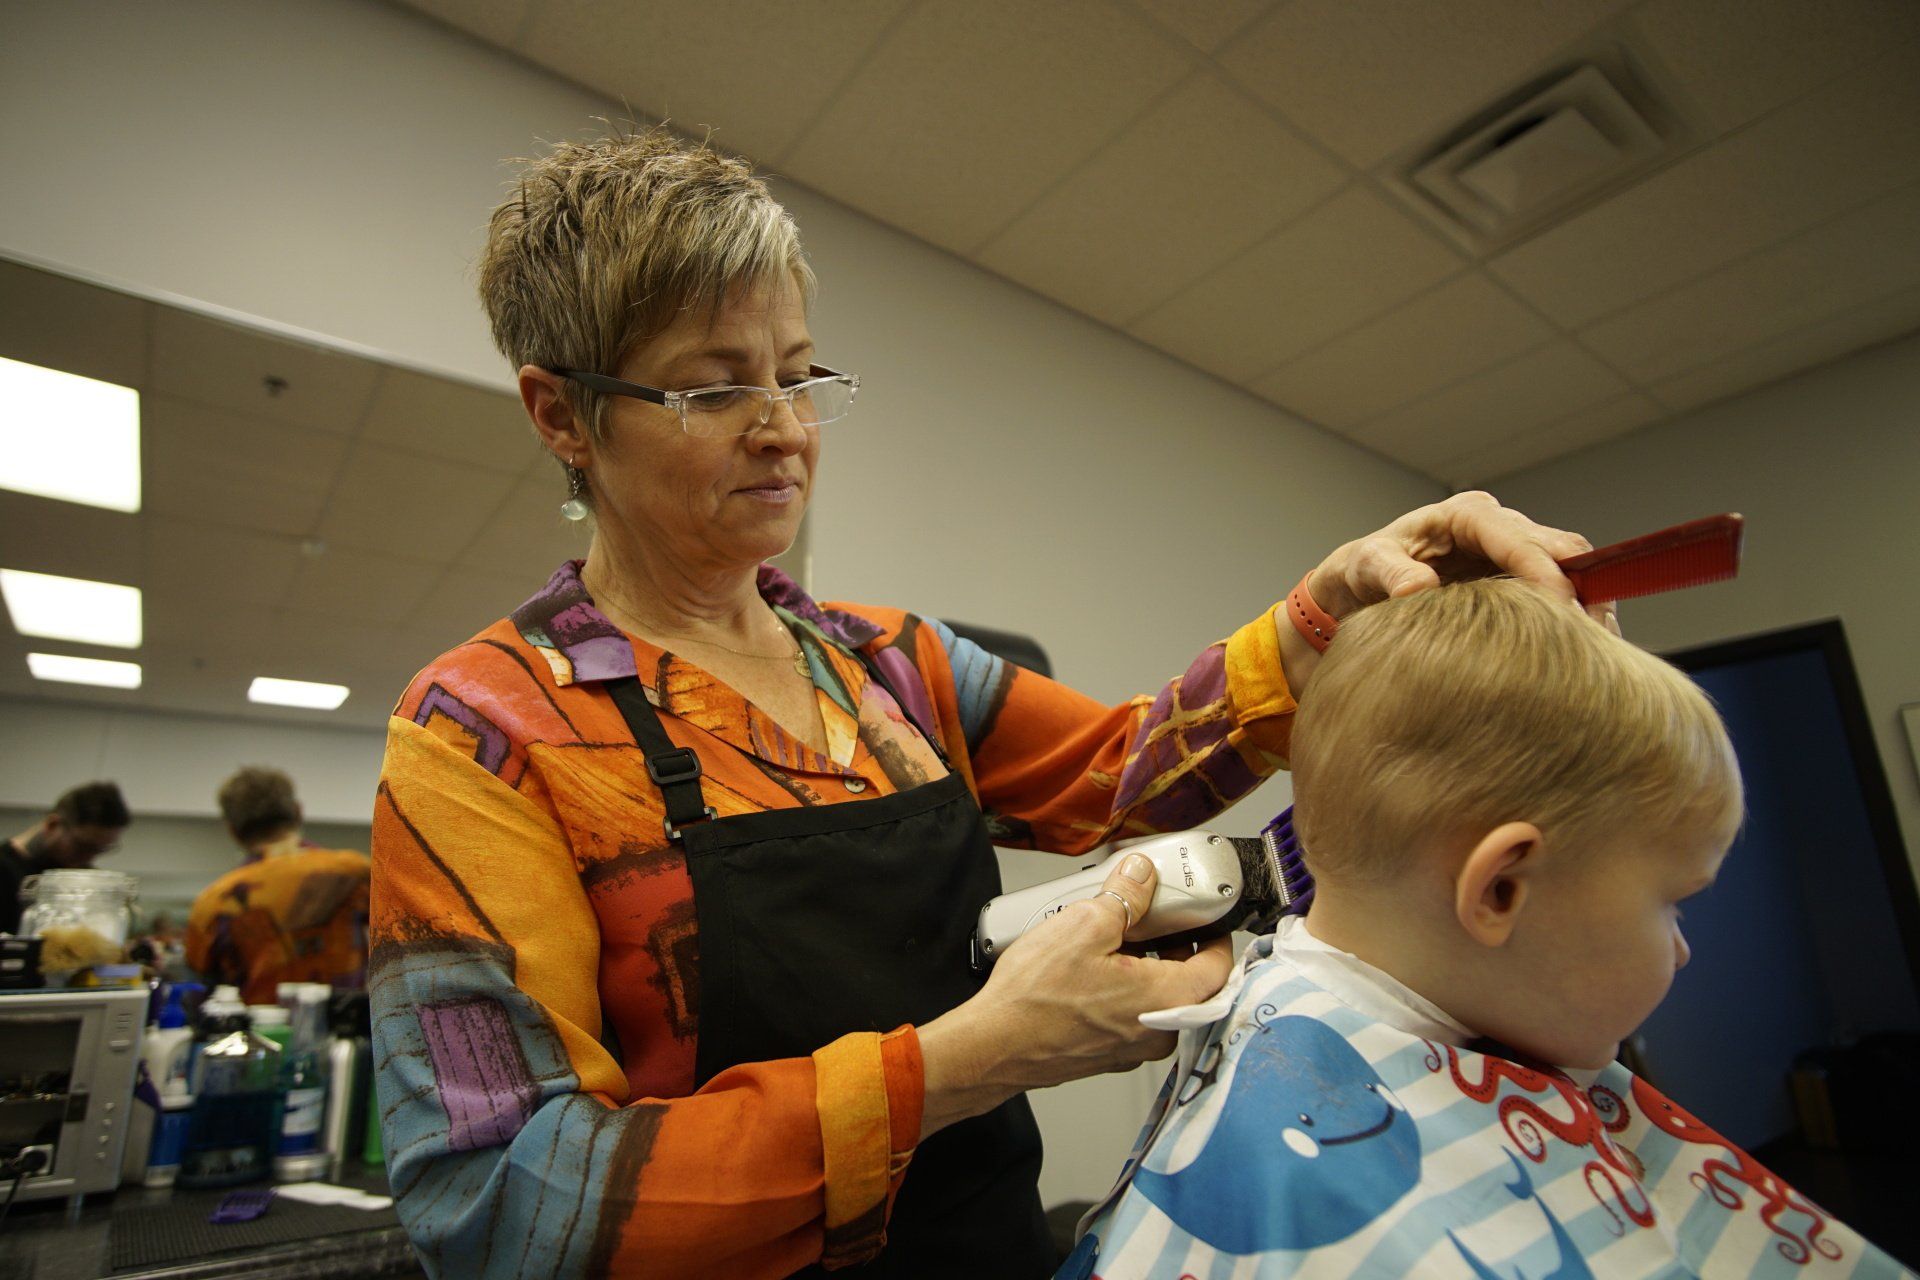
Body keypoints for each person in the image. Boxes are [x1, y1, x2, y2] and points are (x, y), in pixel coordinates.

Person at [368, 126, 1612, 1280]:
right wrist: (965, 1062)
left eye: (800, 377)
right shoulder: (484, 731)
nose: (784, 429)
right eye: (714, 388)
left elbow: (1120, 772)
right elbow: (497, 1201)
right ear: (560, 414)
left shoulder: (888, 664)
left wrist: (1330, 612)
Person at [1065, 579, 1905, 1278]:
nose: (1683, 948)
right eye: (1673, 902)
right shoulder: (1389, 1241)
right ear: (1500, 888)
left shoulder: (1290, 989)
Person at [185, 766, 369, 1004]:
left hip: (258, 1035)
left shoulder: (214, 902)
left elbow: (197, 994)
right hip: (352, 1031)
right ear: (298, 812)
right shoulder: (353, 872)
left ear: (232, 830)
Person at [2, 780, 129, 935]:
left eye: (101, 849)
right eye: (83, 846)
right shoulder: (4, 869)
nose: (89, 857)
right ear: (53, 824)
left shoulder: (80, 880)